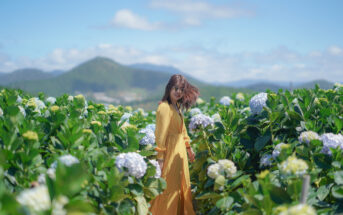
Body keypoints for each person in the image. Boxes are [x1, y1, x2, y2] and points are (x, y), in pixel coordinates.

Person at [149, 74, 199, 215]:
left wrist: (189, 149)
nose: (178, 92)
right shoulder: (164, 108)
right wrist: (160, 159)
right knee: (168, 188)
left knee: (181, 185)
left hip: (180, 153)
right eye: (175, 88)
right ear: (169, 88)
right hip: (170, 152)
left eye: (181, 89)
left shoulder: (177, 107)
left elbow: (183, 131)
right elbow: (160, 134)